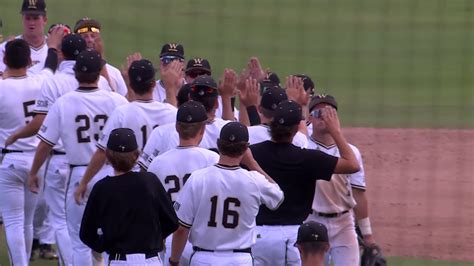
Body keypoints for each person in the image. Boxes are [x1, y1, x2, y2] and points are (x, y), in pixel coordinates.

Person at [29, 49, 128, 266]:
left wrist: (34, 172)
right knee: (114, 236)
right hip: (112, 175)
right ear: (99, 74)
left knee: (79, 240)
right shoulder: (117, 101)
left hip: (78, 176)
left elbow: (45, 143)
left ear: (75, 73)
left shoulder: (63, 103)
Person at [249, 100, 360, 265]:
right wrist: (335, 131)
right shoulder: (308, 158)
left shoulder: (252, 153)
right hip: (295, 237)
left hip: (260, 236)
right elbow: (352, 164)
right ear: (296, 129)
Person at [169, 122, 284, 266]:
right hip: (240, 260)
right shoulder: (255, 180)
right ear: (245, 148)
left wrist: (174, 260)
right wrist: (252, 163)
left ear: (218, 144)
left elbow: (181, 229)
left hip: (203, 259)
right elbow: (278, 197)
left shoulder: (198, 178)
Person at [74, 58, 177, 204]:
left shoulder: (122, 112)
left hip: (127, 182)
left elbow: (102, 152)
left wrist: (84, 182)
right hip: (160, 181)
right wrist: (171, 89)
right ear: (154, 84)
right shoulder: (171, 112)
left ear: (131, 84)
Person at [0, 32, 61, 266]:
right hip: (37, 163)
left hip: (10, 163)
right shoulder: (41, 82)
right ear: (29, 62)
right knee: (26, 221)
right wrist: (53, 47)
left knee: (14, 221)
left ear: (5, 60)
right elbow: (50, 65)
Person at [80, 128, 178, 266]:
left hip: (119, 260)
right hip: (150, 260)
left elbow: (86, 233)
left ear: (107, 155)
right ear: (137, 155)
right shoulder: (149, 181)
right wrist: (155, 237)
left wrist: (105, 243)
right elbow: (172, 221)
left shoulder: (102, 188)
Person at [305, 94, 376, 266]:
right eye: (317, 113)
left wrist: (367, 235)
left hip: (344, 223)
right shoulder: (303, 147)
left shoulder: (351, 153)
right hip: (311, 222)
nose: (323, 117)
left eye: (328, 113)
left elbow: (359, 194)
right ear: (309, 119)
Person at [147, 101, 219, 265]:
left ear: (177, 128)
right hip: (204, 241)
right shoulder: (213, 159)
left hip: (171, 240)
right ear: (203, 129)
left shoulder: (158, 163)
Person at [138, 75, 230, 171]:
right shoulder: (226, 129)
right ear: (216, 103)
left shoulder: (163, 132)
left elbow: (144, 170)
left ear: (189, 99)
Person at [74, 17, 128, 97]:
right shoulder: (72, 70)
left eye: (93, 36)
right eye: (85, 37)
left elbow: (121, 101)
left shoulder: (114, 73)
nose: (90, 40)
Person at [0, 0, 48, 76]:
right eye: (28, 18)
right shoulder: (7, 47)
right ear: (22, 19)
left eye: (35, 18)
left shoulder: (56, 49)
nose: (31, 23)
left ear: (45, 20)